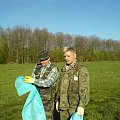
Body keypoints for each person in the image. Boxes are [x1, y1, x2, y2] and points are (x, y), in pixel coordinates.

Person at [55, 47, 90, 120]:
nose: (66, 58)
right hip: (63, 107)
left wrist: (81, 105)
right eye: (65, 56)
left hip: (74, 108)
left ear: (74, 56)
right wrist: (58, 101)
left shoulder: (81, 69)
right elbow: (59, 87)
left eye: (68, 56)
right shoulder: (63, 70)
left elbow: (84, 89)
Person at [25, 51, 59, 120]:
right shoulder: (37, 67)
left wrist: (33, 81)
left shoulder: (53, 69)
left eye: (44, 60)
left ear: (48, 58)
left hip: (47, 101)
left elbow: (47, 83)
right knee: (36, 116)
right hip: (36, 98)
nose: (42, 62)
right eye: (41, 60)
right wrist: (28, 81)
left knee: (47, 117)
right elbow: (33, 77)